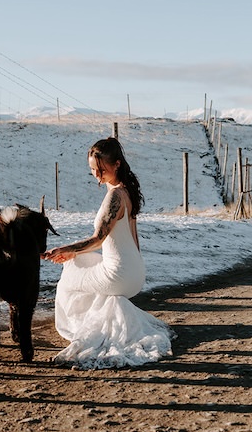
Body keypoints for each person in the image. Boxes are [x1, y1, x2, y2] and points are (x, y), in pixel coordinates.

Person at [41, 137, 173, 369]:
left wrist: (65, 250)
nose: (96, 174)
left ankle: (81, 329)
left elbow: (98, 239)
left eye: (101, 169)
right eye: (92, 169)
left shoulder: (115, 196)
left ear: (117, 164)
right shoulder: (126, 191)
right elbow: (130, 237)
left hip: (120, 273)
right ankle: (101, 319)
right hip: (133, 269)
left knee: (68, 279)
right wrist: (74, 253)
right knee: (80, 261)